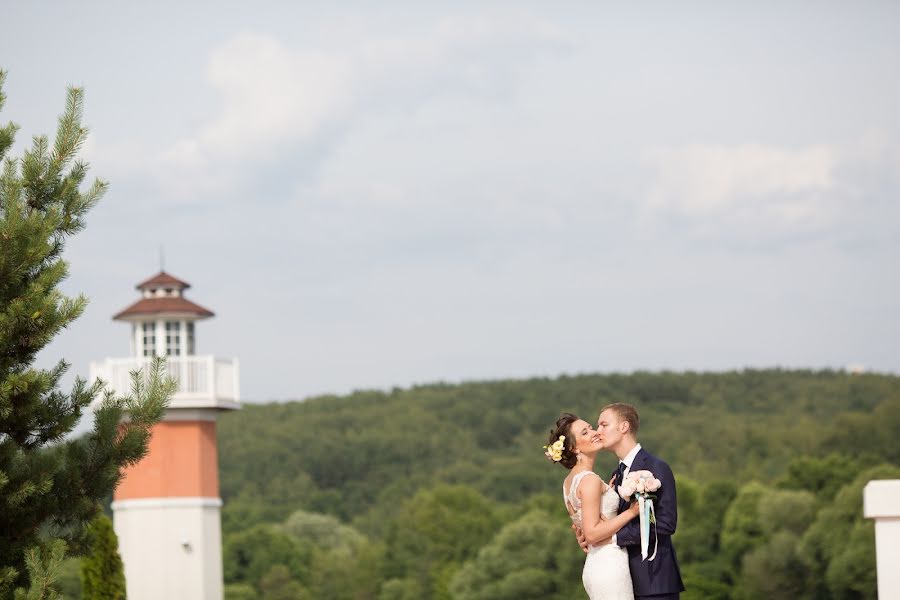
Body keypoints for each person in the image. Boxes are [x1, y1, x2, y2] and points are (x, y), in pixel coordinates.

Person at [591, 403, 686, 599]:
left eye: (604, 425)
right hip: (621, 581)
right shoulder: (616, 475)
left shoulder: (657, 467)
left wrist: (615, 538)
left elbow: (666, 523)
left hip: (655, 580)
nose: (598, 431)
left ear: (624, 427)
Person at [546, 413, 641, 599]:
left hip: (595, 564)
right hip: (609, 566)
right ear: (573, 448)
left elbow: (582, 526)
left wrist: (610, 492)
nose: (594, 432)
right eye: (585, 432)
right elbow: (591, 533)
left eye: (590, 428)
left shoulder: (569, 482)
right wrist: (632, 512)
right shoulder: (590, 480)